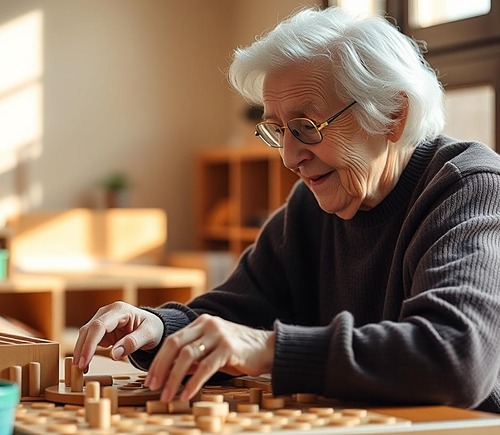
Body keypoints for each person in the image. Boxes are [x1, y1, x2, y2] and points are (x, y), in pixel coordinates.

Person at [73, 6, 500, 412]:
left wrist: (268, 349)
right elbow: (238, 312)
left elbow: (456, 356)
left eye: (306, 127)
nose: (289, 156)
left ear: (393, 115)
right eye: (278, 130)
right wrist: (157, 328)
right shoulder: (311, 205)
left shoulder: (470, 190)